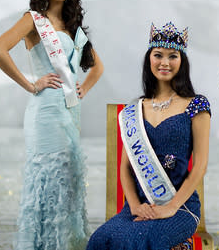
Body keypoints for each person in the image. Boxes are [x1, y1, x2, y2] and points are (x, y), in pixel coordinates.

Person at [0, 0, 104, 250]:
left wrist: (82, 90)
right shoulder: (33, 19)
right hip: (46, 114)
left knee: (69, 185)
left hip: (70, 112)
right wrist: (30, 84)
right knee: (48, 186)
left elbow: (97, 67)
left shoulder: (72, 23)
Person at [86, 22, 211, 250]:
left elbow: (201, 165)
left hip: (179, 207)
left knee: (139, 241)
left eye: (172, 56)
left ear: (182, 62)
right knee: (98, 241)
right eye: (158, 55)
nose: (165, 62)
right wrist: (134, 206)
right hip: (139, 206)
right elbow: (125, 167)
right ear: (149, 60)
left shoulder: (196, 105)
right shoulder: (133, 110)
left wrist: (171, 207)